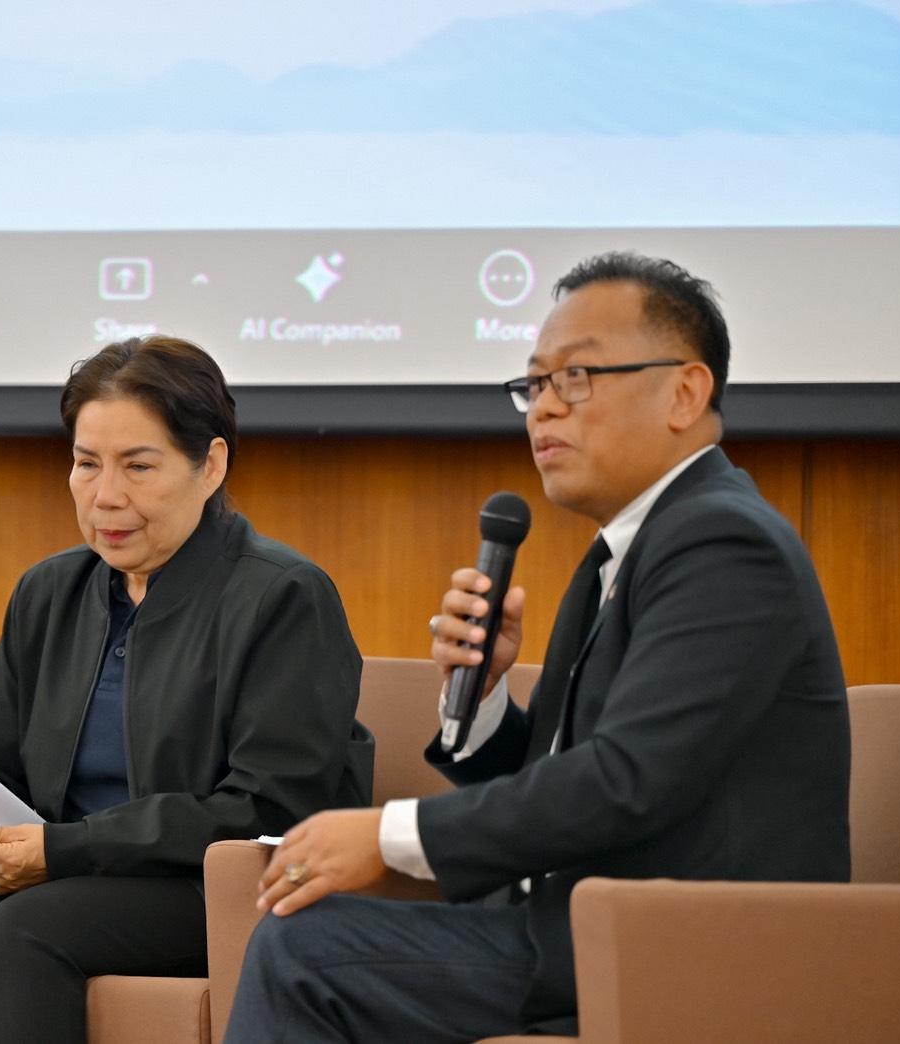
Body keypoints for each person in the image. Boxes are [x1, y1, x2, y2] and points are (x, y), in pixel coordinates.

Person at [226, 253, 851, 1041]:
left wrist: (388, 835)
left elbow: (627, 781)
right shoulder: (624, 551)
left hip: (691, 951)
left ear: (686, 393)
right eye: (535, 384)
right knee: (309, 936)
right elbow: (572, 778)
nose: (544, 409)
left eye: (577, 378)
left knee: (306, 954)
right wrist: (486, 699)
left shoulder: (724, 543)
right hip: (583, 929)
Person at [0, 335, 372, 1043]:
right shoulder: (49, 592)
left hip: (211, 887)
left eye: (138, 466)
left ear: (210, 465)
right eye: (86, 464)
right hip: (64, 877)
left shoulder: (283, 596)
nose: (106, 496)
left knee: (26, 929)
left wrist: (64, 849)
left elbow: (270, 806)